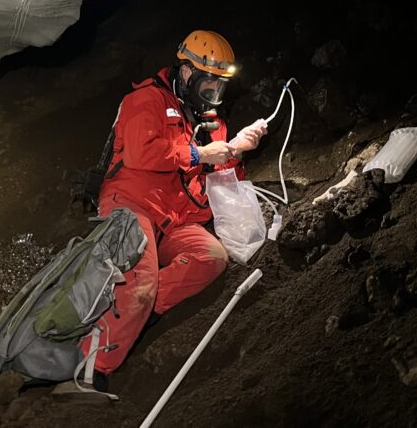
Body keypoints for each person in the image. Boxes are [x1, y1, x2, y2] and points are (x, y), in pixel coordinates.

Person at [56, 30, 267, 399]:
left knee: (210, 258)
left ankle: (134, 315)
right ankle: (87, 373)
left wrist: (235, 150)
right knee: (139, 280)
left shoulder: (211, 120)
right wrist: (202, 154)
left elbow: (216, 178)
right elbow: (143, 154)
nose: (214, 92)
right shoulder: (146, 100)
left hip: (173, 219)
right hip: (131, 205)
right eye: (209, 81)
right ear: (187, 72)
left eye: (220, 84)